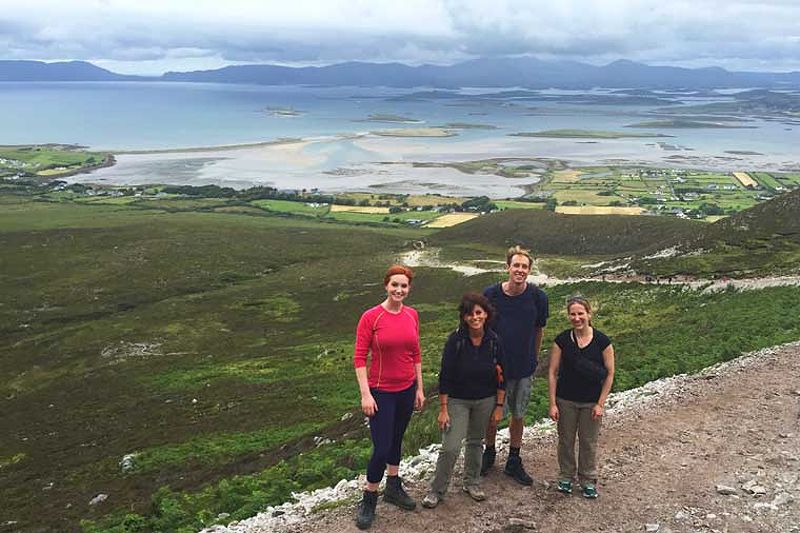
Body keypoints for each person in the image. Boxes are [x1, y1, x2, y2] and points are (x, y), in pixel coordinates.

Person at [353, 264, 425, 530]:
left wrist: (419, 388)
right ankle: (369, 496)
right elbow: (359, 358)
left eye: (404, 285)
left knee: (397, 439)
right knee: (381, 447)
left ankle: (393, 487)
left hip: (406, 389)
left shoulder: (412, 315)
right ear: (386, 285)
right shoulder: (371, 317)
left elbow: (415, 354)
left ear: (409, 288)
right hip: (381, 392)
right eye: (395, 284)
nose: (399, 289)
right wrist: (365, 394)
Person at [422, 293, 506, 509]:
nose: (474, 317)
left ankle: (472, 482)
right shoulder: (456, 340)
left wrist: (498, 405)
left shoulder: (494, 341)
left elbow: (501, 375)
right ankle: (437, 489)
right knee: (450, 446)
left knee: (476, 442)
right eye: (470, 314)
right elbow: (446, 375)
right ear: (464, 317)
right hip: (457, 400)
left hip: (485, 399)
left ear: (486, 314)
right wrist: (443, 408)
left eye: (479, 313)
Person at [481, 245, 548, 485]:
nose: (520, 270)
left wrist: (535, 356)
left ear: (529, 270)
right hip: (495, 368)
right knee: (491, 415)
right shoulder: (490, 294)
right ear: (507, 267)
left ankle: (514, 458)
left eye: (524, 266)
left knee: (518, 414)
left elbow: (539, 328)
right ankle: (489, 453)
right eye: (516, 265)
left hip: (523, 367)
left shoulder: (538, 297)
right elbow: (480, 327)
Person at [547, 295, 615, 499]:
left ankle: (588, 479)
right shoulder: (562, 340)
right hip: (565, 399)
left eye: (580, 313)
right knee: (565, 440)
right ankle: (566, 476)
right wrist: (552, 403)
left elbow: (610, 373)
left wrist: (601, 403)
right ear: (568, 316)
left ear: (588, 314)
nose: (577, 318)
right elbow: (552, 371)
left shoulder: (603, 341)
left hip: (591, 402)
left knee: (588, 441)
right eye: (573, 314)